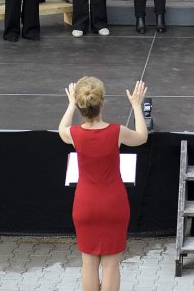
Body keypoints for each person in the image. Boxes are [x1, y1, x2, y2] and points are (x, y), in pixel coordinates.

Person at [58, 77, 149, 291]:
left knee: (88, 263)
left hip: (85, 206)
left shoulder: (74, 134)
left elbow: (62, 127)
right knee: (111, 265)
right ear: (102, 103)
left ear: (81, 105)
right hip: (113, 205)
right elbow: (143, 137)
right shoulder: (116, 132)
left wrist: (70, 105)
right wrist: (136, 105)